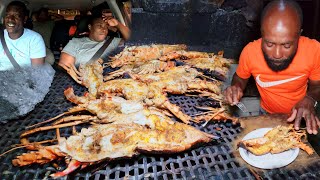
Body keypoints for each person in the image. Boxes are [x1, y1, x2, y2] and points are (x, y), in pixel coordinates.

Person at [223, 0, 320, 134]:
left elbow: (317, 86)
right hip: (266, 114)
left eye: (286, 46)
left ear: (299, 35)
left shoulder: (314, 51)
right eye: (269, 44)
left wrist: (310, 99)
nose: (277, 54)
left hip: (300, 116)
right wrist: (236, 87)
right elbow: (240, 78)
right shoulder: (250, 52)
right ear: (262, 34)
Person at [58, 14, 130, 67]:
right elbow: (65, 66)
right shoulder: (75, 42)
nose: (104, 29)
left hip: (112, 80)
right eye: (99, 26)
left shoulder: (113, 41)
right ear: (90, 27)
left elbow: (136, 41)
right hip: (84, 80)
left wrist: (118, 24)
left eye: (106, 27)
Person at [0, 1, 46, 70]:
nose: (10, 19)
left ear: (24, 19)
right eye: (7, 15)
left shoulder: (35, 39)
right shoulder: (1, 36)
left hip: (24, 79)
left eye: (16, 15)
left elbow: (37, 73)